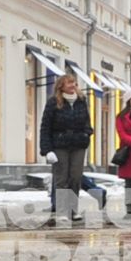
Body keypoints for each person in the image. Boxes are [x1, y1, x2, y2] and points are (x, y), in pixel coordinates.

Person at [40, 73, 93, 225]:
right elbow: (45, 127)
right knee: (61, 178)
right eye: (69, 83)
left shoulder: (82, 101)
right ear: (61, 86)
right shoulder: (53, 102)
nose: (73, 85)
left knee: (75, 177)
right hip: (60, 145)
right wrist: (47, 150)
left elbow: (87, 122)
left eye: (74, 83)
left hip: (78, 144)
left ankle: (73, 209)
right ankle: (62, 211)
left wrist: (86, 135)